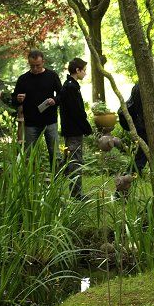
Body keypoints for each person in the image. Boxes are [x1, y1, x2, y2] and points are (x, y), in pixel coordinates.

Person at [11, 50, 62, 167]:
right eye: (32, 66)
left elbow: (61, 95)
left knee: (55, 153)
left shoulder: (52, 75)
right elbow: (14, 99)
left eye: (37, 66)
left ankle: (57, 181)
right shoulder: (23, 79)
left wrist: (54, 100)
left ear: (43, 62)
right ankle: (31, 182)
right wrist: (18, 99)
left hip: (50, 121)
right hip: (31, 123)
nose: (35, 69)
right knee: (29, 155)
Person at [59, 58, 92, 200]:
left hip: (73, 129)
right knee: (75, 162)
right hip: (73, 130)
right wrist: (87, 127)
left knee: (70, 160)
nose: (85, 73)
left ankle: (57, 182)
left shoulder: (71, 85)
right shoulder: (71, 87)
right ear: (77, 70)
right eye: (84, 70)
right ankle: (76, 194)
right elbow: (77, 112)